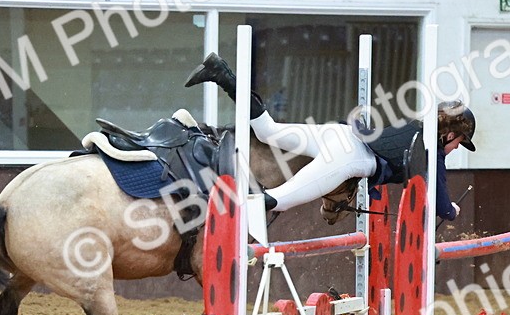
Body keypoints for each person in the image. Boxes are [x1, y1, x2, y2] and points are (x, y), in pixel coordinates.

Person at [184, 53, 475, 220]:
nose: (454, 150)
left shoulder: (415, 127)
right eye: (458, 144)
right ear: (450, 134)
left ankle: (223, 75)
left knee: (267, 129)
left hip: (337, 133)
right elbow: (439, 202)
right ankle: (211, 204)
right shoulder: (430, 151)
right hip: (348, 157)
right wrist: (452, 211)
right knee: (279, 199)